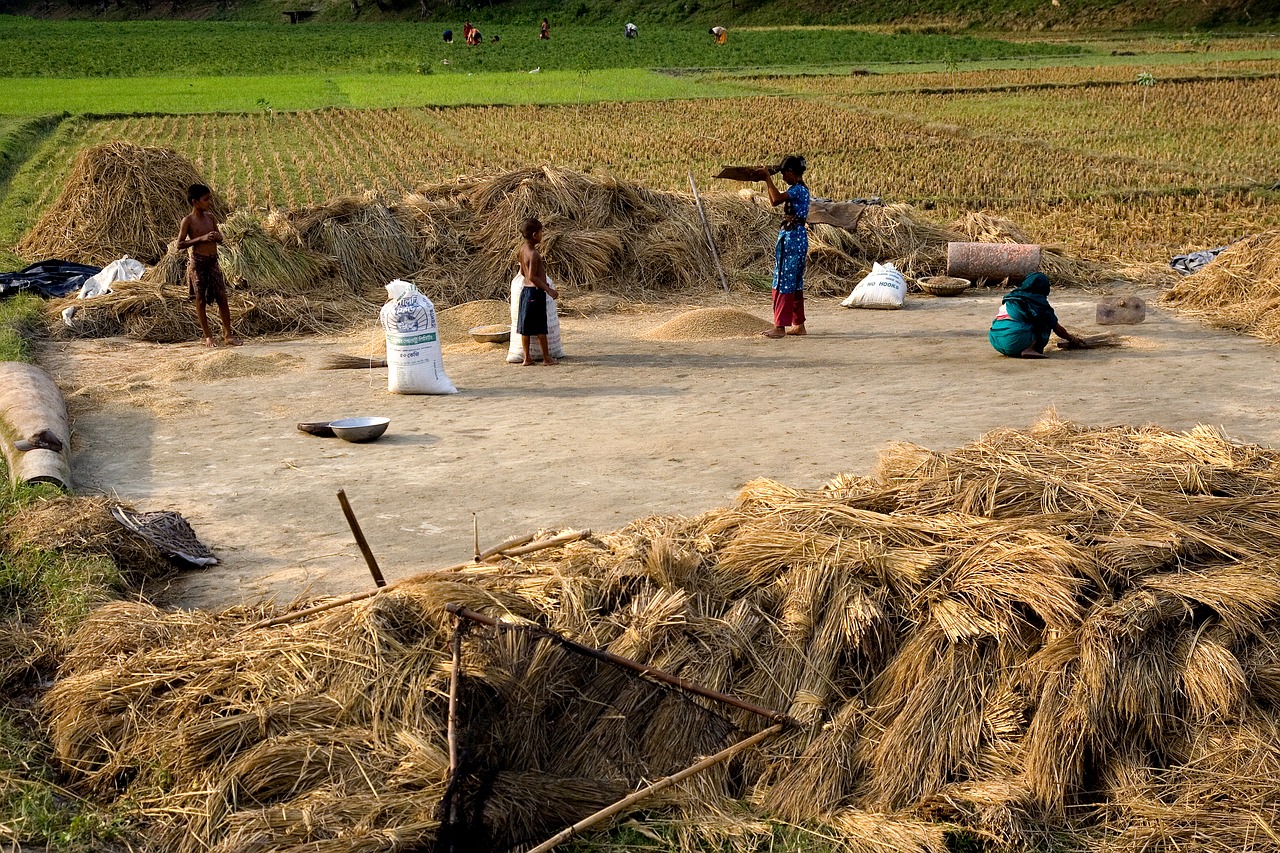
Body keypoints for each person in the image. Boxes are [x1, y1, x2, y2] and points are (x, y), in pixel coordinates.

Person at [176, 183, 240, 347]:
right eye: (206, 200)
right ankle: (208, 337)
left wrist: (217, 237)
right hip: (199, 263)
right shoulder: (188, 221)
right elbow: (180, 244)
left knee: (222, 297)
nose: (209, 202)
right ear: (195, 202)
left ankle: (228, 335)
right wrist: (201, 239)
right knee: (201, 299)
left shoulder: (210, 217)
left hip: (213, 261)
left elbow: (220, 236)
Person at [757, 156, 810, 338]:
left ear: (792, 173)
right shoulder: (801, 190)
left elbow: (775, 200)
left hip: (792, 238)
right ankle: (799, 325)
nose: (783, 178)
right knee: (795, 283)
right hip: (799, 238)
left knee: (783, 280)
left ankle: (780, 327)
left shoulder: (797, 190)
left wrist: (766, 178)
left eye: (784, 174)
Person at [988, 272, 1085, 358]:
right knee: (1046, 321)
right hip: (1014, 341)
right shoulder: (1039, 303)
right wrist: (1072, 339)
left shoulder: (1012, 297)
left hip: (996, 341)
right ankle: (1029, 348)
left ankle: (1016, 347)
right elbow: (1057, 328)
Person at [516, 217, 559, 366]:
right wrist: (548, 290)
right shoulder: (534, 254)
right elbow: (531, 276)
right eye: (541, 232)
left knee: (525, 327)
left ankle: (527, 358)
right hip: (535, 293)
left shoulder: (522, 250)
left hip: (525, 293)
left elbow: (522, 272)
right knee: (540, 326)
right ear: (535, 235)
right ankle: (547, 358)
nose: (542, 235)